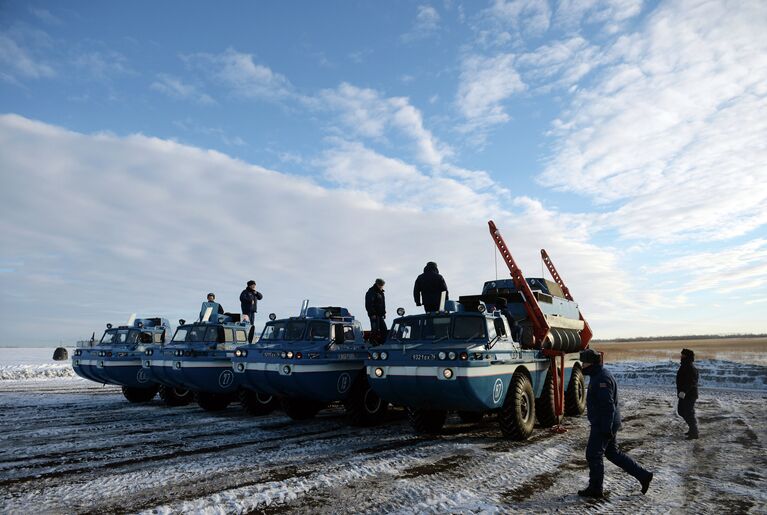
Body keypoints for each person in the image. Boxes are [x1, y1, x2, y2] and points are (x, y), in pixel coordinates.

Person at [578, 348, 653, 498]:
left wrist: (606, 428)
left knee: (593, 455)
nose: (582, 365)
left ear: (591, 363)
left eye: (584, 362)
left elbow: (608, 405)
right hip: (607, 422)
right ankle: (643, 475)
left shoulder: (601, 379)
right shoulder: (598, 374)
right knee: (612, 453)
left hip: (604, 423)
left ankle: (596, 489)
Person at [676, 348, 699, 439]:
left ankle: (694, 432)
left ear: (687, 356)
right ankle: (692, 429)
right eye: (681, 355)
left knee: (688, 413)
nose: (681, 356)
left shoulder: (690, 367)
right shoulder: (684, 365)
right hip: (684, 394)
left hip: (689, 395)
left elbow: (691, 382)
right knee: (681, 411)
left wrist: (683, 391)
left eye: (683, 355)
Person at [365, 278, 387, 343]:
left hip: (380, 315)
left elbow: (383, 304)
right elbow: (369, 304)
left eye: (382, 285)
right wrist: (372, 314)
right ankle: (371, 342)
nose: (381, 286)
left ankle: (383, 343)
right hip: (374, 315)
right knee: (375, 330)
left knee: (384, 329)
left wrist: (384, 313)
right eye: (380, 285)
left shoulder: (381, 293)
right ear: (377, 284)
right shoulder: (371, 292)